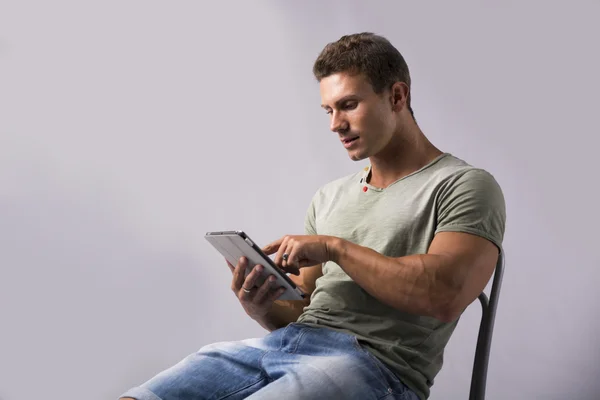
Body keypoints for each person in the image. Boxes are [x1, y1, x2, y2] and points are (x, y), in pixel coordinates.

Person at [120, 32, 506, 400]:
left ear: (397, 96)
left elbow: (445, 295)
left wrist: (335, 248)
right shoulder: (329, 197)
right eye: (329, 109)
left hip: (376, 368)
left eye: (349, 105)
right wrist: (261, 306)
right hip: (281, 349)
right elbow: (301, 313)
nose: (335, 124)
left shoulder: (463, 185)